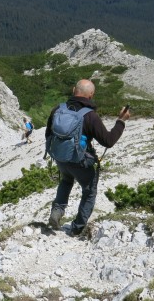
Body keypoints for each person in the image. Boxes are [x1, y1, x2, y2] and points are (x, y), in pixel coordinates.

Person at [46, 79, 130, 236]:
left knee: (66, 180)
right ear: (91, 95)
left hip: (60, 158)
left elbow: (48, 135)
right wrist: (121, 121)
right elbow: (108, 141)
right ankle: (77, 228)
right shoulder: (90, 116)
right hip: (80, 161)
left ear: (73, 90)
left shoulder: (58, 109)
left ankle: (56, 212)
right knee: (89, 191)